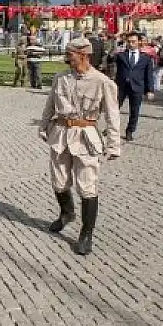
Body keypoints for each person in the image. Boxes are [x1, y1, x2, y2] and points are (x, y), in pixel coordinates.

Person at [38, 37, 120, 256]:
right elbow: (50, 104)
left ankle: (86, 233)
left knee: (87, 186)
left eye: (70, 54)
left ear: (83, 55)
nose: (67, 58)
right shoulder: (60, 77)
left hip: (86, 137)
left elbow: (113, 116)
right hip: (61, 134)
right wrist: (44, 125)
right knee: (59, 181)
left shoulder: (102, 82)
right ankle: (67, 213)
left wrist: (114, 145)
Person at [110, 32, 155, 141]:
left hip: (137, 87)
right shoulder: (121, 55)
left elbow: (149, 75)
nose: (131, 44)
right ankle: (111, 128)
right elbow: (110, 60)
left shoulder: (145, 58)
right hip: (121, 86)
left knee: (134, 111)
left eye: (133, 41)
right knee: (114, 109)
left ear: (139, 42)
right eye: (129, 41)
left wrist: (150, 90)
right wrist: (112, 53)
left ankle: (130, 130)